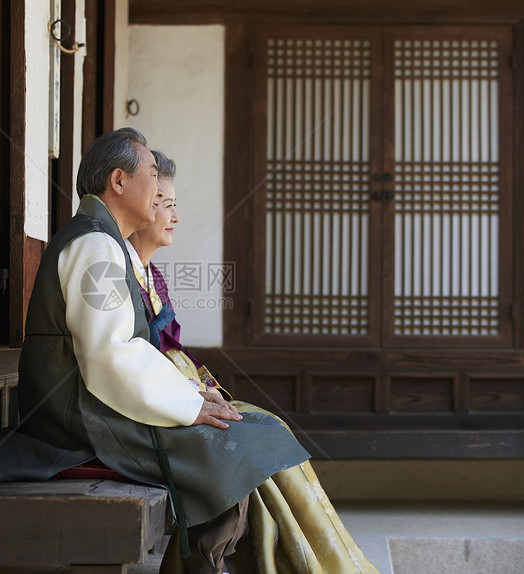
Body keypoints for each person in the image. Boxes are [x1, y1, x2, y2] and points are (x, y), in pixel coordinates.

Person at [0, 127, 309, 574]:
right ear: (118, 181)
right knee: (239, 443)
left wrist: (191, 398)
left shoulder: (105, 243)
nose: (159, 193)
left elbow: (131, 350)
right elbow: (112, 356)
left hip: (91, 412)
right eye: (151, 175)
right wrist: (189, 405)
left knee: (245, 434)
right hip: (78, 426)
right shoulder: (94, 244)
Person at [127, 151, 381, 574]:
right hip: (153, 407)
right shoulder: (120, 271)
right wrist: (191, 392)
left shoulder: (151, 275)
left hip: (181, 394)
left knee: (268, 430)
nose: (174, 216)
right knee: (249, 439)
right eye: (167, 204)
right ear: (144, 205)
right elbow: (138, 359)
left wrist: (201, 386)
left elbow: (172, 350)